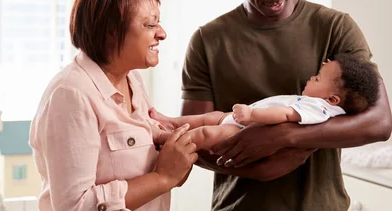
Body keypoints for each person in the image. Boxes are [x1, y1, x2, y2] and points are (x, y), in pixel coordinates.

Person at [152, 0, 392, 211]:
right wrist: (255, 167)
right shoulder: (208, 41)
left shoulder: (336, 28)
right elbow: (194, 145)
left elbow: (380, 122)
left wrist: (287, 138)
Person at [29, 0, 198, 211]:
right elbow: (74, 210)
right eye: (150, 24)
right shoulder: (71, 95)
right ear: (111, 30)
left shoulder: (131, 81)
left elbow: (137, 157)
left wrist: (174, 152)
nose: (162, 33)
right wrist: (162, 178)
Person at [152, 54, 380, 153]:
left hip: (243, 128)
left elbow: (284, 115)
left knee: (205, 134)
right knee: (205, 119)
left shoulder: (319, 109)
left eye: (317, 78)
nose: (311, 78)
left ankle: (165, 137)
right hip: (241, 122)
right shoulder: (317, 103)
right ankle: (170, 121)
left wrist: (252, 115)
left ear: (332, 99)